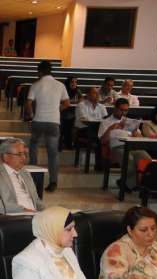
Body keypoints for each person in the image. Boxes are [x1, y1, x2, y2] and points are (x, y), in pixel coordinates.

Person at [25, 61, 70, 192]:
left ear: (39, 72)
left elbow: (28, 103)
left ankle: (33, 174)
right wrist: (56, 110)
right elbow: (67, 103)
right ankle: (53, 182)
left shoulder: (35, 85)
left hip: (38, 121)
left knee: (33, 145)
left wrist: (31, 115)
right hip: (53, 122)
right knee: (53, 153)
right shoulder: (60, 85)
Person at [98, 98, 151, 192]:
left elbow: (141, 138)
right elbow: (102, 141)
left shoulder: (130, 121)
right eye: (121, 110)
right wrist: (111, 128)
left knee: (146, 158)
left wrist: (137, 135)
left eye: (126, 110)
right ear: (115, 109)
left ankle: (128, 183)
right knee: (129, 160)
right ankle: (130, 184)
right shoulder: (106, 122)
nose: (124, 112)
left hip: (132, 147)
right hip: (116, 148)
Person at [0, 138, 44, 215]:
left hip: (35, 215)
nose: (24, 157)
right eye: (19, 154)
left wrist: (46, 211)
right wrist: (25, 211)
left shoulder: (25, 173)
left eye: (24, 154)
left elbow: (36, 200)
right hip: (14, 216)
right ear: (6, 157)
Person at [74, 87, 107, 170]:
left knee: (106, 137)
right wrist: (98, 121)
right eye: (94, 93)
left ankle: (107, 163)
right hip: (83, 130)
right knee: (100, 138)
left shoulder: (102, 106)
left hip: (98, 130)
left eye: (98, 93)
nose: (97, 95)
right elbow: (84, 120)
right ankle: (100, 165)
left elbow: (105, 120)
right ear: (88, 95)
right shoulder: (81, 105)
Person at [60, 77, 82, 150]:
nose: (74, 84)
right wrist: (72, 102)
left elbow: (81, 100)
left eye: (75, 82)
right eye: (72, 82)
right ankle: (60, 143)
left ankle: (70, 143)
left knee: (72, 128)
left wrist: (72, 102)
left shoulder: (78, 91)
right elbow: (62, 101)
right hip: (62, 113)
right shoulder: (63, 91)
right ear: (68, 83)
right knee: (63, 127)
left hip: (73, 114)